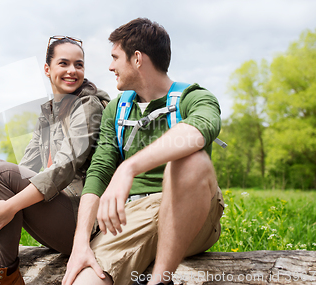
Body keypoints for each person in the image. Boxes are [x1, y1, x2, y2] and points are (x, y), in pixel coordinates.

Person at [62, 18, 225, 285]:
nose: (110, 66)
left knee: (190, 159)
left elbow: (197, 132)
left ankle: (160, 281)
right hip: (132, 217)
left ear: (137, 58)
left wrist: (129, 167)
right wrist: (81, 242)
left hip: (192, 215)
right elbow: (99, 171)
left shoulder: (195, 97)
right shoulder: (116, 110)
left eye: (115, 57)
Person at [0, 36, 110, 285]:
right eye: (64, 63)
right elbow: (26, 167)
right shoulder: (48, 112)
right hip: (59, 215)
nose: (72, 70)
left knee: (0, 174)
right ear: (47, 69)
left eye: (78, 65)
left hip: (85, 225)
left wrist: (11, 205)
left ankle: (3, 276)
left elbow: (65, 168)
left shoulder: (88, 106)